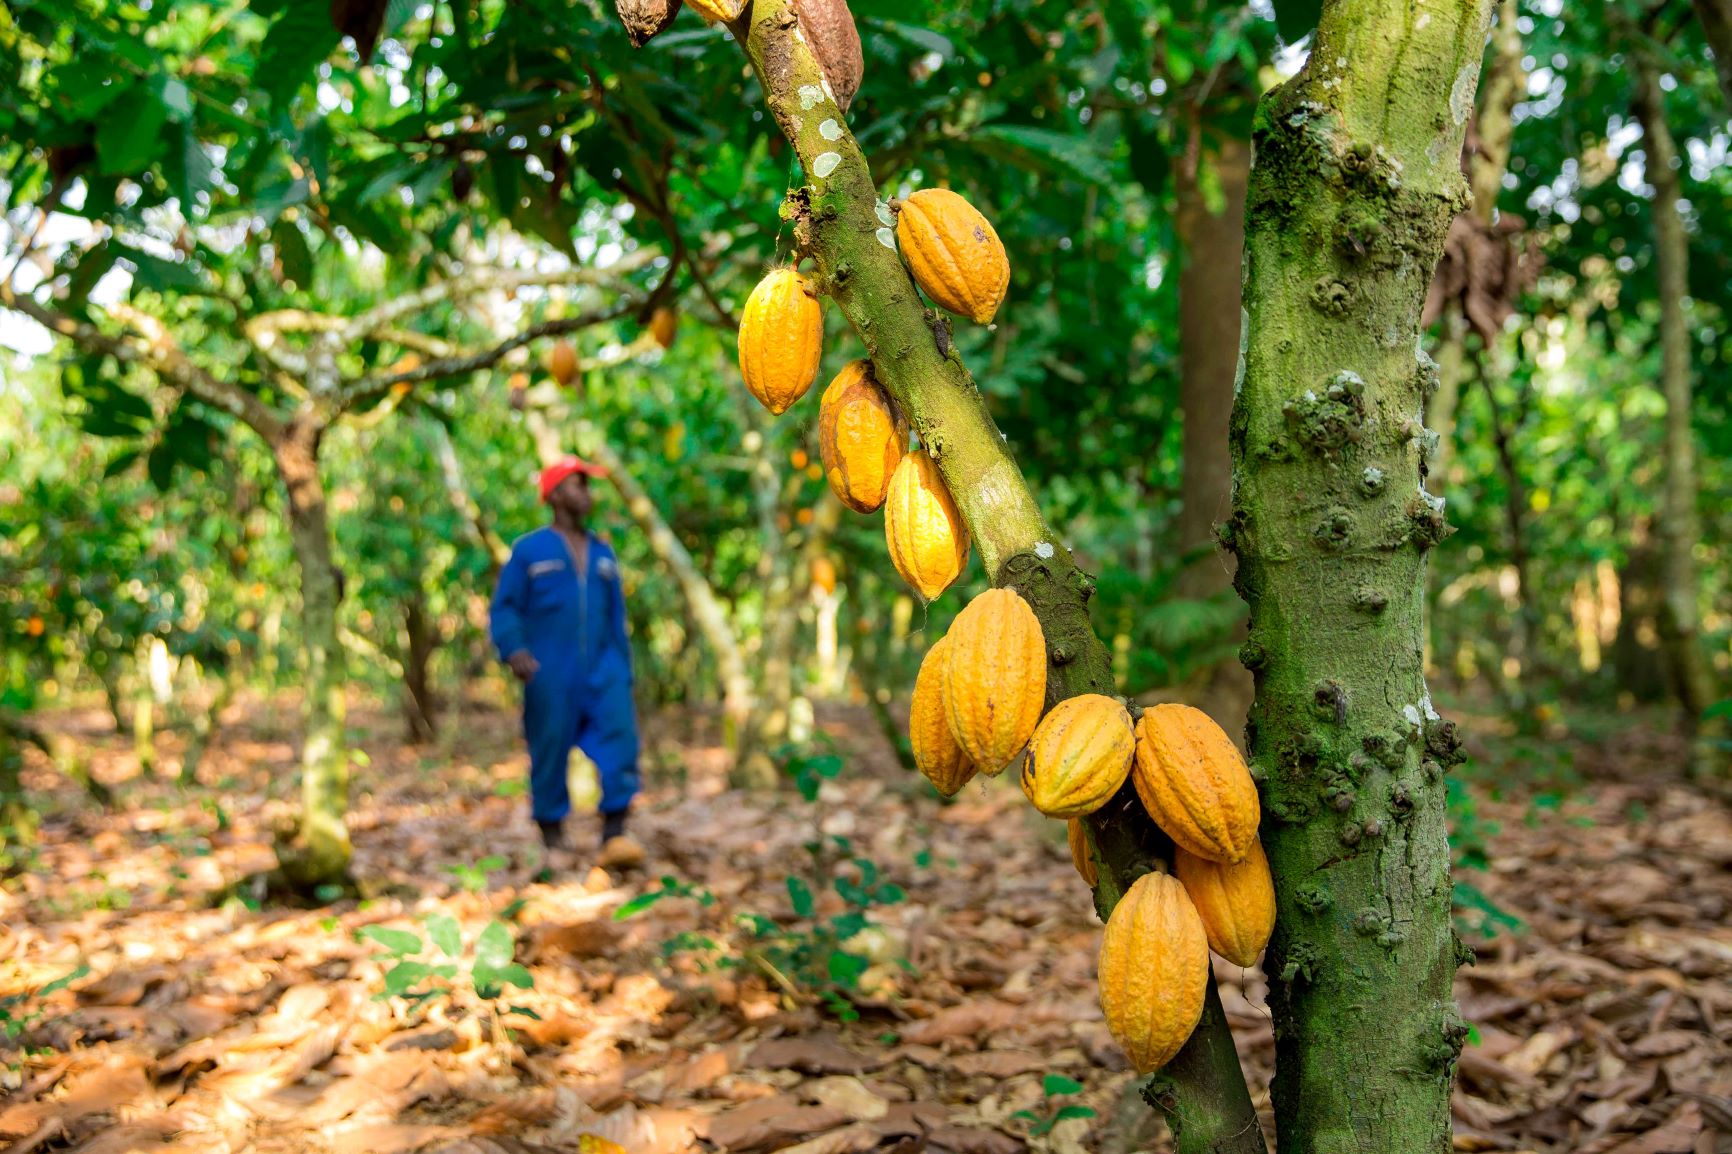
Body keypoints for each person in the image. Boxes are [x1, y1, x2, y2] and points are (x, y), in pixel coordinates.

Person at [490, 456, 644, 870]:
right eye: (579, 485)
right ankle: (553, 838)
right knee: (549, 747)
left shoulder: (603, 552)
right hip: (550, 670)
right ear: (555, 494)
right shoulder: (529, 550)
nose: (587, 494)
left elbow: (616, 617)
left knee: (619, 741)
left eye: (588, 486)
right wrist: (514, 649)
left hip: (603, 668)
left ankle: (616, 835)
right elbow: (505, 608)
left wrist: (622, 670)